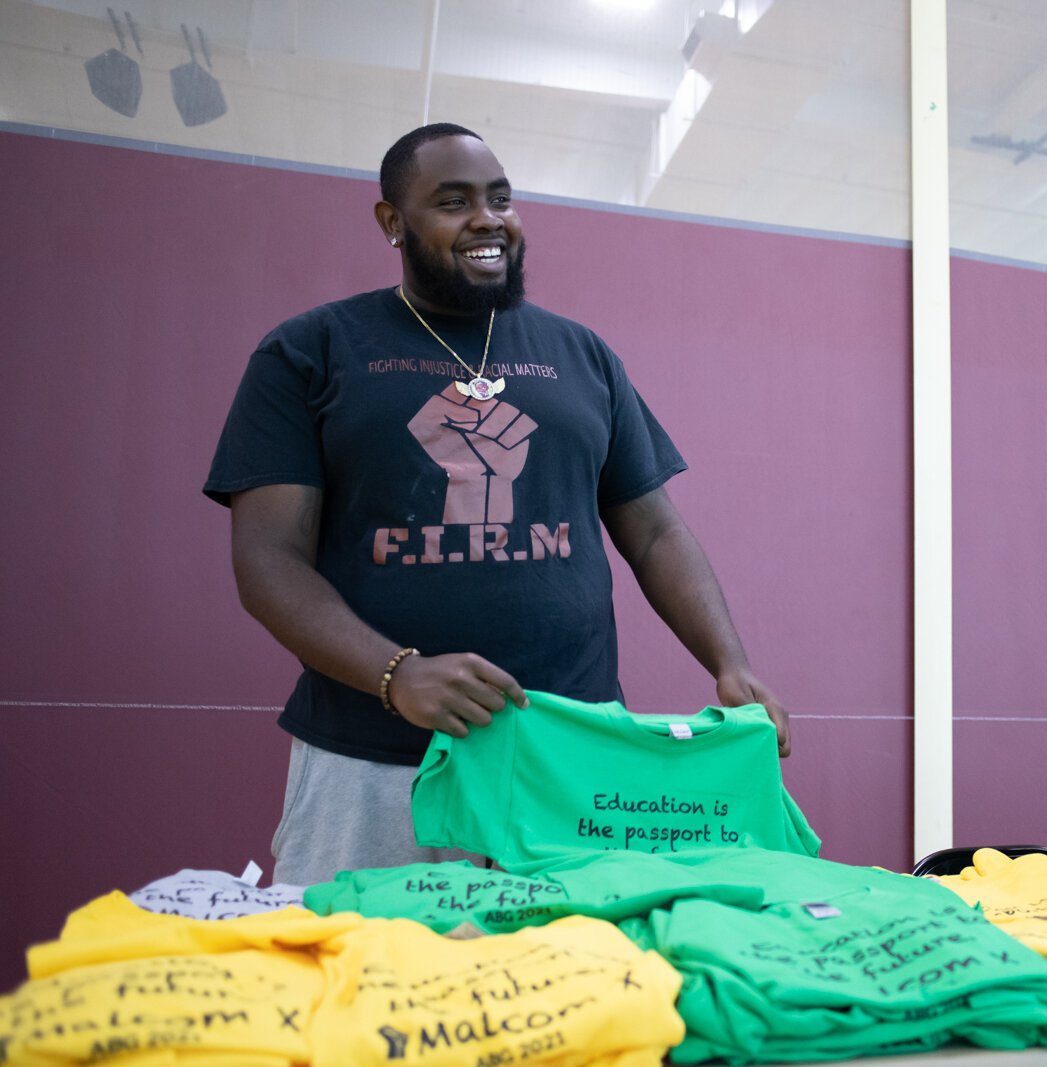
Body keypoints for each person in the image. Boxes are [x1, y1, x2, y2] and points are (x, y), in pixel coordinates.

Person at [205, 123, 788, 886]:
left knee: (565, 985)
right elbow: (267, 560)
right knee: (361, 980)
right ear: (392, 222)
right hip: (374, 762)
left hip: (570, 752)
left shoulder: (581, 355)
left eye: (501, 199)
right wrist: (397, 673)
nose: (488, 219)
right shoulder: (311, 350)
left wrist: (729, 663)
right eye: (453, 201)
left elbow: (653, 532)